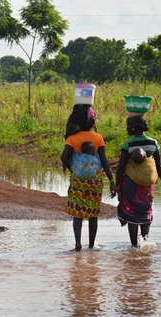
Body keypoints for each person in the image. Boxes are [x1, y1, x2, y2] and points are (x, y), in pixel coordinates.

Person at [61, 104, 116, 252]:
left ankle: (78, 243)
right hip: (94, 181)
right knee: (93, 214)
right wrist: (112, 181)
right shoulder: (98, 138)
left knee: (77, 214)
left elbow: (64, 156)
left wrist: (72, 167)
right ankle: (92, 245)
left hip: (78, 181)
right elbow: (104, 161)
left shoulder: (72, 138)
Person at [114, 114, 161, 247]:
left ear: (133, 128)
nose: (127, 129)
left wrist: (116, 185)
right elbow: (159, 165)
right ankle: (145, 241)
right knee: (145, 209)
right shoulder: (153, 143)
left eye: (128, 126)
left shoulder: (128, 144)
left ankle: (134, 246)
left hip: (130, 185)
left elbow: (121, 166)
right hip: (146, 186)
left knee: (132, 213)